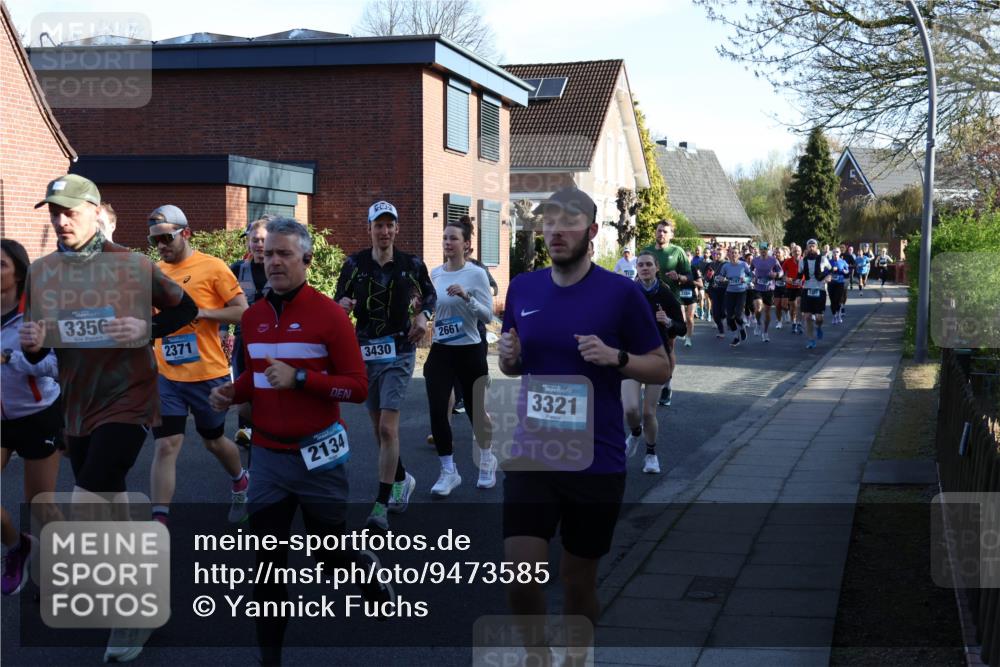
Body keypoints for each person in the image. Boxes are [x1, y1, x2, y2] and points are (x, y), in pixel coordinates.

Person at [20, 174, 197, 662]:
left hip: (129, 399)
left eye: (69, 211)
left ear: (95, 211)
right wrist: (33, 347)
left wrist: (147, 327)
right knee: (113, 504)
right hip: (76, 407)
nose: (60, 221)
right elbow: (41, 352)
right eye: (54, 212)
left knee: (88, 503)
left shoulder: (134, 266)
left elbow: (189, 310)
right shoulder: (42, 273)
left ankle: (131, 615)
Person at [208, 218, 392, 667]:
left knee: (328, 557)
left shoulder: (329, 316)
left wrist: (303, 379)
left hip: (319, 456)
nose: (272, 261)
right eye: (267, 253)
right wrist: (235, 392)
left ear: (307, 260)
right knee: (267, 569)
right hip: (268, 458)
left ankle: (360, 566)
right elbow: (257, 376)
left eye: (284, 254)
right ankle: (270, 658)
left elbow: (358, 387)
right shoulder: (252, 316)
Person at [499, 187, 669, 664]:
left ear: (591, 232)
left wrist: (617, 357)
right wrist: (509, 360)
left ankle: (577, 655)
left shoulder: (622, 294)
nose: (556, 230)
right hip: (534, 451)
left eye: (569, 221)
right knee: (520, 574)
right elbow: (516, 364)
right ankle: (538, 655)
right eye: (549, 221)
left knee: (578, 580)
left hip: (596, 458)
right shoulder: (524, 288)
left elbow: (660, 367)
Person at [146, 205, 250, 526]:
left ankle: (240, 480)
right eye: (156, 241)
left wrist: (203, 313)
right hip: (167, 376)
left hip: (208, 374)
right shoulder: (154, 274)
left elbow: (242, 312)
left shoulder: (213, 267)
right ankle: (159, 521)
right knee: (166, 445)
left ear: (186, 233)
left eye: (167, 238)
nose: (162, 246)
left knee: (214, 441)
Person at [334, 201, 435, 530]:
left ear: (397, 229)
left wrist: (423, 315)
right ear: (370, 228)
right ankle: (402, 478)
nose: (385, 231)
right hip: (365, 350)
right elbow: (339, 299)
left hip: (400, 349)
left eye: (390, 225)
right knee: (379, 429)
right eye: (379, 225)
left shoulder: (411, 264)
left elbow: (431, 296)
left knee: (389, 428)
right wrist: (342, 306)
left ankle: (380, 504)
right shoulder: (355, 264)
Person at [1, 239, 62, 597]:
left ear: (19, 273)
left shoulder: (37, 315)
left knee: (41, 506)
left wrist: (16, 358)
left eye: (1, 265)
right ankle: (16, 546)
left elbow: (58, 367)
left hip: (38, 416)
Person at [424, 216, 495, 495]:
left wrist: (467, 297)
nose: (447, 243)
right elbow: (432, 308)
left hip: (470, 349)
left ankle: (487, 459)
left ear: (466, 245)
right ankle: (448, 471)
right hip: (442, 350)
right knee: (438, 409)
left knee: (476, 412)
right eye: (445, 238)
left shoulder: (476, 274)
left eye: (453, 238)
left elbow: (488, 315)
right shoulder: (435, 274)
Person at [624, 251, 686, 474]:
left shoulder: (666, 295)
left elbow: (682, 327)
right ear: (636, 269)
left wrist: (668, 321)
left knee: (649, 412)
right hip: (631, 356)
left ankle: (651, 455)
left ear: (656, 268)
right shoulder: (629, 293)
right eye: (640, 265)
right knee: (631, 409)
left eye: (649, 264)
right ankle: (635, 432)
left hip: (656, 357)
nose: (644, 268)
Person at [229, 216, 271, 446]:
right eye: (255, 240)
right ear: (248, 243)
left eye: (263, 239)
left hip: (272, 337)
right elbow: (223, 301)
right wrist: (224, 329)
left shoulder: (278, 267)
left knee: (267, 382)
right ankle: (245, 429)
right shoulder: (237, 269)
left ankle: (267, 428)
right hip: (244, 337)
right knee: (243, 382)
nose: (259, 245)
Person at [642, 219, 692, 406]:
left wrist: (679, 277)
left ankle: (667, 385)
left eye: (665, 231)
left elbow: (690, 277)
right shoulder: (647, 251)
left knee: (669, 346)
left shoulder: (677, 252)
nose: (661, 234)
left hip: (670, 303)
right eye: (659, 230)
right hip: (648, 303)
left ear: (671, 235)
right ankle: (648, 381)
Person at [799, 239, 832, 349]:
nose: (811, 248)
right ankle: (811, 340)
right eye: (809, 246)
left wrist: (828, 277)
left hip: (820, 289)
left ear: (817, 248)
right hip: (807, 289)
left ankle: (818, 327)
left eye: (813, 246)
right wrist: (793, 280)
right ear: (807, 248)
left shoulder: (823, 259)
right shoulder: (802, 261)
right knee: (807, 316)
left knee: (819, 318)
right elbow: (799, 276)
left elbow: (831, 270)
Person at [717, 247, 752, 347]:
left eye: (736, 253)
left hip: (741, 291)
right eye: (732, 253)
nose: (734, 255)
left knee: (737, 314)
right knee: (729, 318)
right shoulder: (726, 266)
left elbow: (751, 277)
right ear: (729, 255)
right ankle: (736, 337)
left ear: (739, 254)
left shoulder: (743, 265)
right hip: (730, 292)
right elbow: (720, 277)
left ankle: (742, 328)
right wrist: (721, 279)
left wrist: (745, 279)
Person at [749, 243, 783, 343]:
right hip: (758, 288)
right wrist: (752, 277)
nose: (763, 251)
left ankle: (765, 332)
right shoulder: (755, 260)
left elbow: (781, 272)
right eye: (761, 249)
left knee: (767, 312)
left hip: (769, 289)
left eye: (765, 249)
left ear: (768, 250)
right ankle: (758, 323)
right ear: (759, 250)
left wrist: (776, 274)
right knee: (758, 308)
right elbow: (749, 271)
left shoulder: (773, 260)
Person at [702, 247, 728, 338]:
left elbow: (732, 277)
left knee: (723, 312)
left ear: (724, 254)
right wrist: (709, 276)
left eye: (719, 254)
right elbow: (706, 279)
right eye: (715, 254)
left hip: (725, 291)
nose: (717, 255)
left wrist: (725, 279)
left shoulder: (727, 264)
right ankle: (721, 331)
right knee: (715, 313)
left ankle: (724, 318)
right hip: (715, 290)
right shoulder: (711, 265)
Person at [782, 245, 803, 334]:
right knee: (792, 307)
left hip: (801, 287)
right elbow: (782, 275)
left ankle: (799, 323)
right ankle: (793, 322)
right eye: (794, 251)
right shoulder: (787, 262)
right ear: (792, 252)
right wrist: (787, 279)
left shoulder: (804, 261)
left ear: (801, 252)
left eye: (798, 251)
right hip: (790, 287)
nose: (796, 253)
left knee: (799, 304)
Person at [828, 248, 849, 324]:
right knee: (832, 301)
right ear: (832, 253)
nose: (836, 253)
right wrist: (831, 270)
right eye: (834, 252)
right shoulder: (829, 262)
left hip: (840, 283)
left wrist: (844, 271)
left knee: (839, 300)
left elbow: (847, 271)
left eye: (837, 252)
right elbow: (824, 271)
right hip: (831, 283)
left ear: (839, 253)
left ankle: (838, 314)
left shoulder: (843, 262)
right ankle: (834, 316)